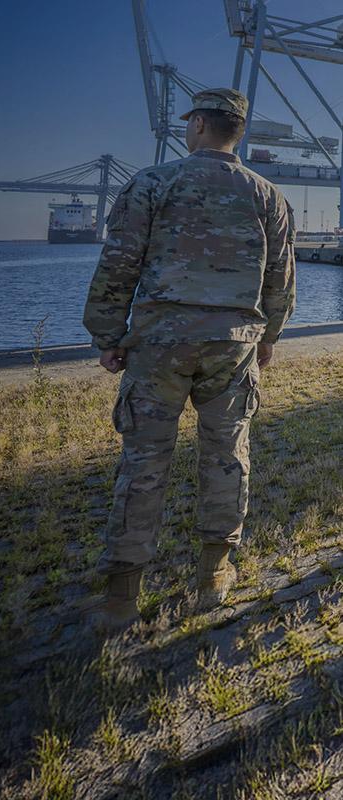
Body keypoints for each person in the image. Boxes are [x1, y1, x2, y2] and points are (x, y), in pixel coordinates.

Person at [81, 88, 296, 634]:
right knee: (227, 454)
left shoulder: (154, 182)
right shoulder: (268, 195)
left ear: (198, 124)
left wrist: (109, 334)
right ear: (238, 131)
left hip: (159, 345)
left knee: (144, 461)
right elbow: (281, 280)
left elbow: (118, 263)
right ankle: (213, 575)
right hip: (233, 345)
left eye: (188, 123)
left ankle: (122, 597)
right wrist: (268, 336)